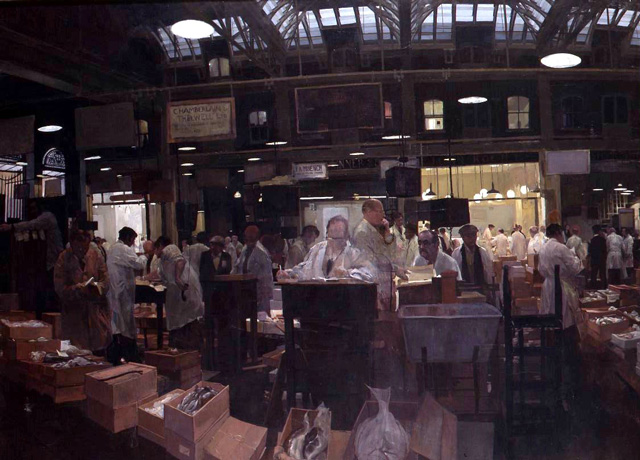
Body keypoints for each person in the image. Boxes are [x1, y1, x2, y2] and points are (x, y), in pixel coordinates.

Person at [538, 223, 584, 411]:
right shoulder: (561, 247)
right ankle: (567, 386)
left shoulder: (543, 248)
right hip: (561, 289)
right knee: (565, 325)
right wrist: (580, 259)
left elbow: (541, 270)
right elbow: (575, 269)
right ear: (558, 233)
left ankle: (553, 372)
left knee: (553, 325)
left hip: (548, 287)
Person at [54, 230, 110, 354]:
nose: (82, 251)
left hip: (94, 312)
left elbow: (105, 280)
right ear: (72, 244)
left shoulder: (95, 255)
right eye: (78, 248)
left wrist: (97, 287)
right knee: (76, 351)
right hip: (73, 313)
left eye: (85, 248)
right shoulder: (63, 258)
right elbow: (59, 287)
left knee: (98, 349)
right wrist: (76, 289)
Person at [278, 215, 375, 281]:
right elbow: (304, 267)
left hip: (344, 299)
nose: (334, 240)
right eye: (332, 232)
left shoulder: (354, 253)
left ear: (346, 236)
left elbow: (369, 274)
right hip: (317, 298)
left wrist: (348, 274)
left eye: (339, 232)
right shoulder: (317, 249)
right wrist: (289, 274)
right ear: (327, 233)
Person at [352, 199, 407, 310]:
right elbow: (369, 261)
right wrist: (395, 268)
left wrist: (387, 231)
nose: (383, 215)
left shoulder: (373, 229)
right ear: (368, 212)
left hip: (385, 281)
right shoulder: (362, 232)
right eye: (380, 211)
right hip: (375, 283)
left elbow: (389, 251)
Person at [106, 227, 148, 364]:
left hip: (117, 292)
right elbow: (138, 264)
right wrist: (144, 255)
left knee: (120, 325)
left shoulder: (113, 248)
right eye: (133, 240)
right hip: (122, 293)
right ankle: (128, 356)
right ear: (129, 238)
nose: (132, 243)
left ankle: (122, 356)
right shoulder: (122, 249)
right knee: (125, 326)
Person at [154, 236, 204, 350]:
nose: (155, 252)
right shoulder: (163, 260)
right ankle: (181, 349)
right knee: (180, 319)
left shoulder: (169, 248)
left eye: (156, 248)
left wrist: (177, 278)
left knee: (187, 319)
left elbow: (180, 261)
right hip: (176, 291)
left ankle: (190, 351)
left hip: (183, 288)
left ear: (160, 246)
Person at [232, 225, 274, 315]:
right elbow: (238, 266)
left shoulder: (261, 252)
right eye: (246, 237)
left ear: (256, 237)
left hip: (258, 292)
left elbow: (267, 278)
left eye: (251, 237)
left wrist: (265, 297)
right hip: (244, 291)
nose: (248, 239)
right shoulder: (245, 249)